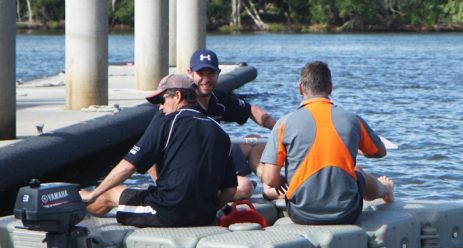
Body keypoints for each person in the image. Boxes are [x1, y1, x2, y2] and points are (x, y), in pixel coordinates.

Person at [79, 74, 237, 227]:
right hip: (205, 216)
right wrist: (208, 211)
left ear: (177, 96)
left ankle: (73, 204)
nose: (160, 107)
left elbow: (128, 166)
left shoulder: (167, 121)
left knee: (108, 193)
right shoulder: (220, 131)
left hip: (167, 213)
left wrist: (95, 193)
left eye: (162, 100)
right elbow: (230, 190)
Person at [260, 61, 394, 225]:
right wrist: (356, 148)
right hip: (347, 213)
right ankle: (386, 191)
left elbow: (269, 179)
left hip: (300, 214)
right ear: (330, 88)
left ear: (300, 88)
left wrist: (281, 181)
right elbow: (380, 152)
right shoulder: (352, 119)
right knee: (358, 173)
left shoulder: (283, 123)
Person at [187, 48, 277, 199]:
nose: (206, 79)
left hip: (218, 158)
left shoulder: (219, 98)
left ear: (218, 73)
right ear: (190, 73)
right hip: (196, 166)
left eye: (211, 74)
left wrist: (279, 129)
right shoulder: (183, 103)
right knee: (245, 187)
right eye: (201, 74)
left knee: (256, 141)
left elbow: (251, 110)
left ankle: (270, 186)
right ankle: (214, 197)